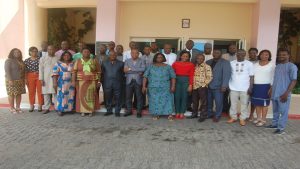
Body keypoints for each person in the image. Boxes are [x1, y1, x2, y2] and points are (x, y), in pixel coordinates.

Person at [266, 48, 298, 134]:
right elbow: (275, 79)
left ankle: (281, 128)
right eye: (280, 55)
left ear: (288, 56)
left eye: (284, 54)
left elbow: (294, 80)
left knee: (283, 111)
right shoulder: (278, 66)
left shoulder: (292, 66)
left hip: (284, 93)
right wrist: (271, 89)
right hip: (275, 92)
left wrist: (286, 93)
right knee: (275, 110)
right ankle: (274, 124)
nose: (281, 56)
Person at [143, 53, 176, 121]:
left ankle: (169, 114)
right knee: (154, 101)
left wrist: (173, 86)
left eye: (161, 57)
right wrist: (143, 86)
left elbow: (173, 77)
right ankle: (156, 114)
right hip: (153, 87)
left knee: (168, 100)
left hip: (165, 87)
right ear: (155, 58)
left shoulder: (168, 67)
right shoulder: (150, 66)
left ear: (163, 58)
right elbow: (145, 76)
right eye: (158, 57)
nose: (159, 58)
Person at [227, 49, 254, 126]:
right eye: (238, 54)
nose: (240, 55)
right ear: (236, 54)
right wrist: (228, 85)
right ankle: (233, 117)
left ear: (245, 55)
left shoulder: (249, 64)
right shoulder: (231, 63)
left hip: (245, 88)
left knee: (244, 104)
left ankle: (242, 118)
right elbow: (228, 75)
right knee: (233, 104)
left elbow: (251, 76)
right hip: (233, 87)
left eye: (242, 54)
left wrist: (250, 87)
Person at [72, 47, 101, 117]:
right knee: (81, 95)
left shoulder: (94, 61)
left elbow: (99, 72)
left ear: (90, 53)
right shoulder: (78, 61)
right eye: (84, 52)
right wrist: (73, 81)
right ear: (81, 53)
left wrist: (99, 81)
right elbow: (74, 72)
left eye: (88, 52)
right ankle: (83, 111)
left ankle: (90, 110)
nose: (86, 53)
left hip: (92, 81)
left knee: (91, 95)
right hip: (80, 81)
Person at [206, 49, 231, 122]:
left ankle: (217, 115)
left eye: (218, 52)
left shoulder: (225, 62)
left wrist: (224, 86)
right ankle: (209, 113)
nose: (216, 54)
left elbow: (226, 75)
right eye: (214, 52)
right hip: (208, 85)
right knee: (209, 101)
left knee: (218, 102)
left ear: (221, 54)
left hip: (219, 86)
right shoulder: (208, 62)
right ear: (212, 53)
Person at [251, 50, 275, 126]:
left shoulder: (272, 65)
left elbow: (273, 77)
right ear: (259, 55)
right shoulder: (255, 65)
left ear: (269, 56)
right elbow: (252, 75)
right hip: (256, 86)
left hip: (266, 86)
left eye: (266, 54)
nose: (264, 56)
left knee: (264, 104)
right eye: (262, 54)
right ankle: (258, 118)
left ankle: (263, 120)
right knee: (257, 103)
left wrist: (271, 88)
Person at [172, 51, 195, 119]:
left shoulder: (191, 64)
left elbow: (191, 75)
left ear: (188, 58)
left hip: (186, 81)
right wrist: (172, 84)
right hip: (177, 80)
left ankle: (182, 112)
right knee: (177, 97)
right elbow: (172, 74)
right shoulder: (175, 63)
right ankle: (177, 112)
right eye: (183, 56)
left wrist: (190, 85)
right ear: (180, 56)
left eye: (186, 56)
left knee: (184, 97)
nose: (185, 57)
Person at [124, 49, 146, 118]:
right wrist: (137, 70)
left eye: (136, 53)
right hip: (129, 81)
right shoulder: (127, 61)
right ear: (131, 54)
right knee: (128, 97)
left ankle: (139, 111)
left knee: (139, 97)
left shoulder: (142, 60)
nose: (134, 54)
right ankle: (129, 110)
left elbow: (143, 69)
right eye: (133, 53)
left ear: (138, 54)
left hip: (138, 81)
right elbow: (125, 70)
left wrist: (130, 69)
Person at [190, 54, 212, 122]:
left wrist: (203, 85)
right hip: (195, 86)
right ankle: (194, 114)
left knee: (203, 102)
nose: (199, 60)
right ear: (196, 59)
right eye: (198, 58)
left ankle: (203, 116)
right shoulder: (195, 66)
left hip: (202, 87)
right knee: (195, 101)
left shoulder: (207, 66)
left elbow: (210, 77)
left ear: (203, 59)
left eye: (201, 59)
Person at [101, 51, 124, 117]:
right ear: (109, 55)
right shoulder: (104, 63)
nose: (112, 56)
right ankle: (109, 110)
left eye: (114, 54)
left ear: (116, 55)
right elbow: (102, 73)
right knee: (108, 97)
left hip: (118, 83)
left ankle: (117, 111)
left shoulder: (121, 63)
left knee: (118, 98)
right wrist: (101, 82)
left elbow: (123, 74)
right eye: (111, 55)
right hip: (107, 83)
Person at [52, 51, 75, 116]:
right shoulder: (58, 63)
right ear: (62, 56)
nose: (66, 56)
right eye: (65, 55)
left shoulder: (72, 64)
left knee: (70, 95)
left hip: (70, 83)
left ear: (70, 56)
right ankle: (60, 110)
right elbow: (54, 73)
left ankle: (69, 109)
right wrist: (54, 83)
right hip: (61, 82)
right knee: (61, 96)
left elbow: (73, 73)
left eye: (68, 55)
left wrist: (73, 82)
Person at [39, 45, 60, 114]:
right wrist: (41, 79)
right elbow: (41, 69)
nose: (51, 51)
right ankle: (46, 108)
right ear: (47, 50)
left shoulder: (58, 58)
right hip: (46, 78)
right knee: (46, 93)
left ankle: (57, 107)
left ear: (55, 50)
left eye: (52, 49)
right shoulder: (43, 58)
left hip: (56, 78)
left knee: (56, 93)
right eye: (49, 49)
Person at [5, 48, 26, 114]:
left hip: (20, 80)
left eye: (18, 52)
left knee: (19, 94)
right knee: (11, 94)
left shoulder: (21, 61)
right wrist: (10, 80)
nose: (17, 53)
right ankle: (12, 108)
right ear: (12, 53)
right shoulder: (9, 60)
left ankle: (18, 107)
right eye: (15, 52)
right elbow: (7, 71)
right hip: (11, 80)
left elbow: (24, 71)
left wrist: (24, 79)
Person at [24, 47, 43, 112]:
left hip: (39, 76)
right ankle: (31, 105)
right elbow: (25, 70)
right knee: (31, 91)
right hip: (30, 76)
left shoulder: (40, 59)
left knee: (40, 91)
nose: (34, 53)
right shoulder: (26, 60)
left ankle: (40, 105)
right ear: (29, 52)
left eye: (35, 51)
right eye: (32, 51)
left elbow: (43, 68)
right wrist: (25, 79)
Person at [221, 43, 237, 114]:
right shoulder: (224, 56)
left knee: (232, 96)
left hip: (234, 79)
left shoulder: (238, 56)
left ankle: (231, 110)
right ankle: (225, 109)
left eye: (234, 48)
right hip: (225, 78)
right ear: (228, 49)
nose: (232, 49)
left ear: (236, 49)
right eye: (230, 48)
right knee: (224, 95)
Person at [247, 47, 259, 121]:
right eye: (251, 53)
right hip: (247, 83)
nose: (252, 54)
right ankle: (244, 114)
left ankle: (251, 114)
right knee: (246, 100)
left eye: (254, 53)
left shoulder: (259, 62)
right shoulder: (246, 62)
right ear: (249, 54)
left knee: (253, 100)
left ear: (257, 53)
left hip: (256, 83)